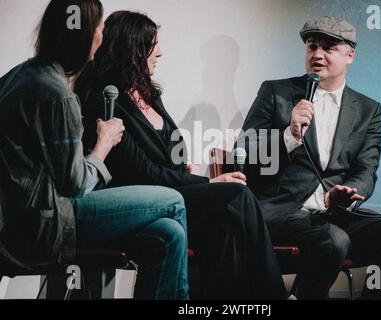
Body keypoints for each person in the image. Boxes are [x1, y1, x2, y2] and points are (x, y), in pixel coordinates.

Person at [74, 10, 286, 299]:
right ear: (131, 48)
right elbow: (140, 171)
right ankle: (277, 294)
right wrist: (209, 183)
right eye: (152, 44)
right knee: (238, 195)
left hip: (174, 188)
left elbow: (175, 153)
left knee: (222, 229)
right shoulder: (105, 101)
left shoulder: (151, 95)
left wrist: (192, 175)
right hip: (144, 199)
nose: (160, 53)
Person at [0, 0, 188, 300]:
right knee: (174, 201)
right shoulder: (57, 95)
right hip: (49, 223)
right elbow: (74, 185)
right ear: (82, 35)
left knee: (170, 233)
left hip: (24, 220)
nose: (102, 36)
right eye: (99, 27)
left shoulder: (15, 77)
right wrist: (104, 143)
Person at [239, 16, 381, 299]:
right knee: (334, 240)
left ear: (350, 56)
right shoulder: (276, 92)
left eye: (328, 47)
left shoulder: (368, 109)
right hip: (282, 211)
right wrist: (289, 135)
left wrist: (350, 193)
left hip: (334, 214)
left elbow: (366, 168)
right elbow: (247, 150)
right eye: (312, 46)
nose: (317, 54)